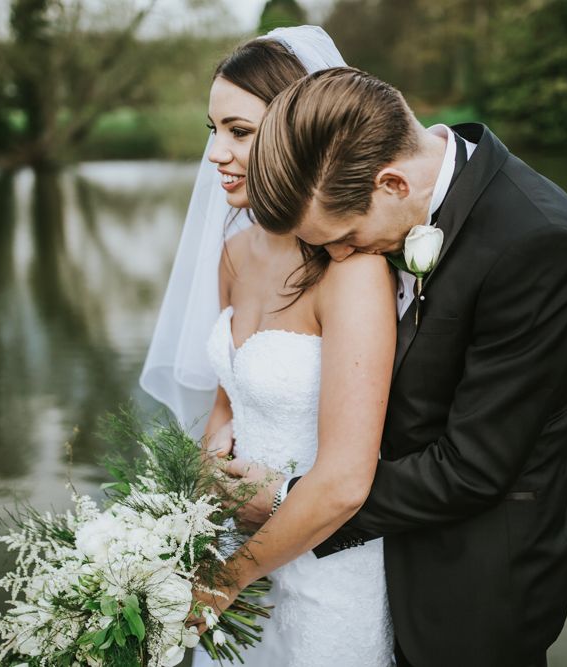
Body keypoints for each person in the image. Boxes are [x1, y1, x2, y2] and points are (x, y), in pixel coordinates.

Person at [219, 66, 567, 667]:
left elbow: (474, 468)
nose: (340, 258)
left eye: (343, 237)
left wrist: (292, 500)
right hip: (357, 571)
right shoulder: (388, 202)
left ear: (394, 184)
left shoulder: (540, 243)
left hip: (466, 590)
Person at [140, 27, 396, 667]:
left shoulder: (351, 270)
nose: (215, 154)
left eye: (239, 131)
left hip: (325, 568)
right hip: (232, 552)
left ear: (296, 133)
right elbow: (232, 392)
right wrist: (208, 463)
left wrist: (223, 583)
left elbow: (346, 479)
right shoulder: (233, 251)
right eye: (212, 129)